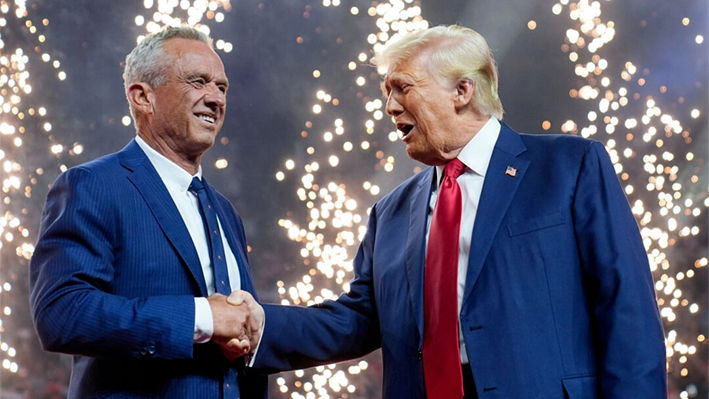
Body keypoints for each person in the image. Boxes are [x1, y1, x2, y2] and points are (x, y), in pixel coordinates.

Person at [236, 25, 668, 398]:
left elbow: (625, 308)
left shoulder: (570, 166)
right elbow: (357, 320)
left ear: (462, 91)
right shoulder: (389, 213)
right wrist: (258, 325)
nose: (389, 106)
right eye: (387, 92)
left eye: (402, 87)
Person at [29, 26, 266, 398]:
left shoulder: (225, 212)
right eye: (198, 81)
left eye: (222, 87)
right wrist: (202, 317)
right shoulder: (92, 185)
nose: (215, 98)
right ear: (143, 97)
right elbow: (61, 312)